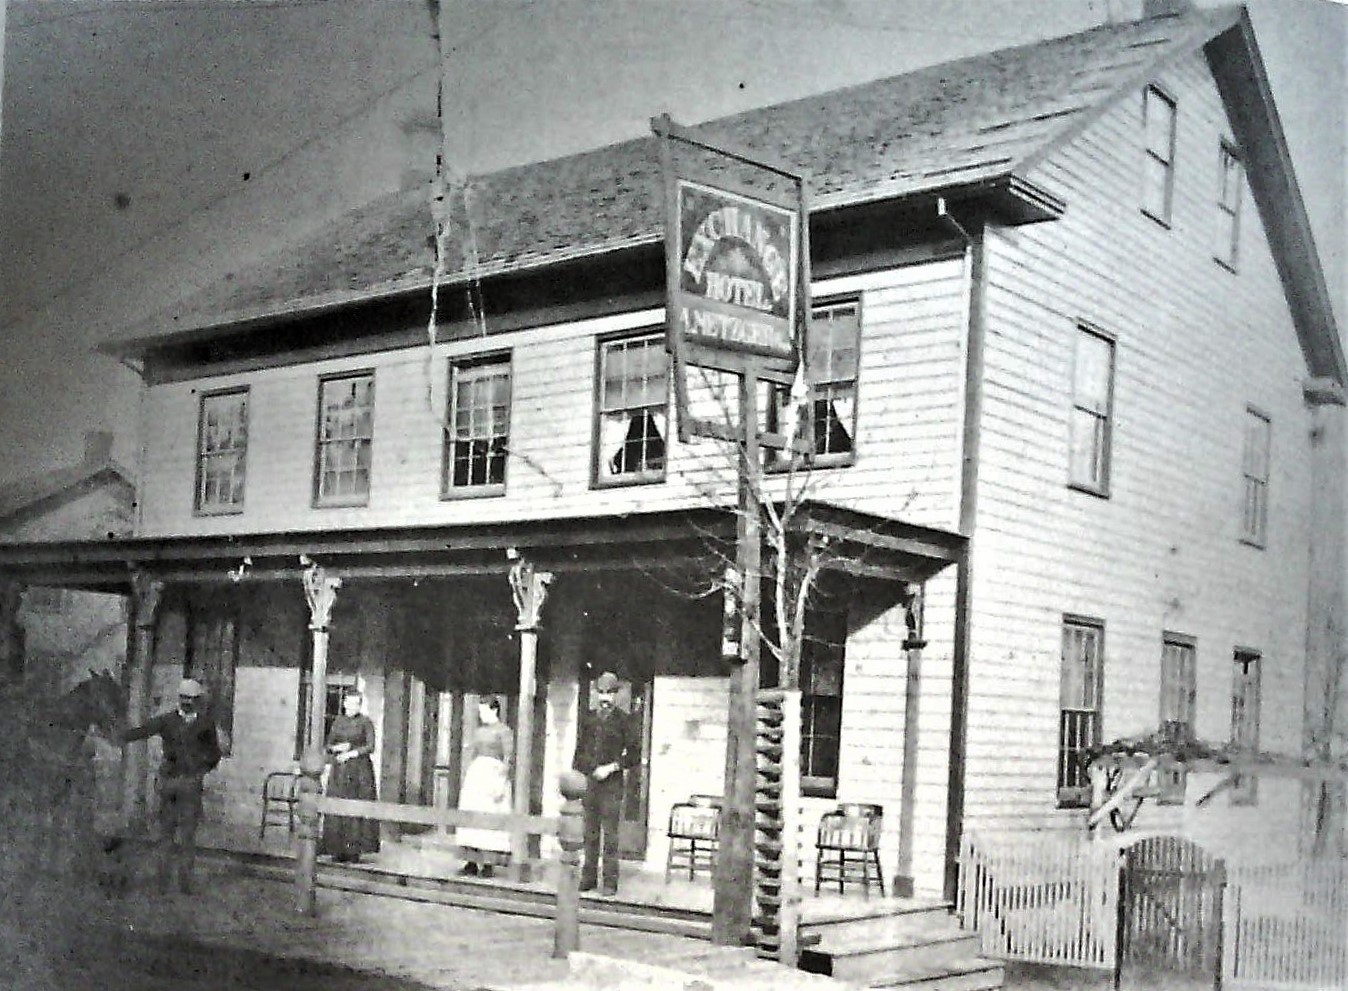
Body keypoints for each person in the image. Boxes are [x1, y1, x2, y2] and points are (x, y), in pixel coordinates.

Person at [119, 677, 222, 893]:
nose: (186, 702)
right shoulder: (167, 720)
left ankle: (185, 883)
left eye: (191, 698)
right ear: (179, 698)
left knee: (187, 836)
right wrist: (118, 736)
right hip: (168, 783)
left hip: (191, 784)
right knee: (165, 834)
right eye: (183, 698)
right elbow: (143, 731)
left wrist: (200, 770)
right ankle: (162, 882)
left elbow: (214, 754)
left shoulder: (205, 724)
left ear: (198, 701)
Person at [573, 670, 639, 896]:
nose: (605, 698)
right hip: (590, 783)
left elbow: (634, 755)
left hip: (612, 785)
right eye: (601, 692)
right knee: (589, 833)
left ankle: (610, 882)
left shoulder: (624, 720)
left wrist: (611, 767)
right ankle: (588, 877)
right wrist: (582, 774)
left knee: (610, 835)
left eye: (609, 693)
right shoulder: (589, 719)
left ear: (616, 694)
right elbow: (579, 752)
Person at [454, 696, 514, 878]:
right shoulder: (478, 732)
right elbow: (471, 752)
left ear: (494, 710)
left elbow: (508, 757)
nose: (481, 715)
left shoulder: (504, 731)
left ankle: (488, 864)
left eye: (484, 711)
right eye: (480, 711)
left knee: (490, 818)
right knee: (472, 817)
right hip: (477, 776)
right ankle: (471, 862)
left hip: (494, 775)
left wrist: (501, 780)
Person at [320, 690, 380, 863]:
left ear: (360, 705)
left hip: (360, 772)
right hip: (340, 771)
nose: (353, 707)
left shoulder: (365, 722)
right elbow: (329, 745)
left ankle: (354, 850)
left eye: (356, 704)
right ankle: (336, 849)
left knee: (356, 807)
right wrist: (337, 748)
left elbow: (370, 746)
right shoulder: (338, 722)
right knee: (337, 804)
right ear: (344, 703)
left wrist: (352, 752)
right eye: (350, 703)